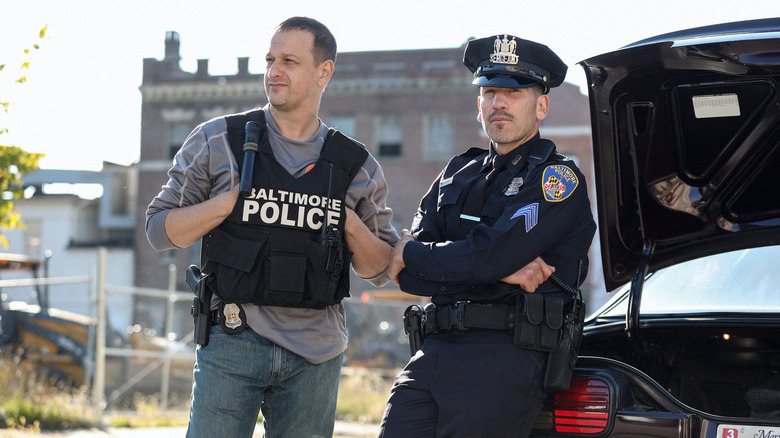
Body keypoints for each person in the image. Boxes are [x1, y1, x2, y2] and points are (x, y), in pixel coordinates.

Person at [145, 17, 399, 438]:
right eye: (270, 59)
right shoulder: (218, 140)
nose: (273, 71)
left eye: (289, 61)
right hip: (232, 340)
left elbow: (381, 269)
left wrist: (345, 218)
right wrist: (228, 203)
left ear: (324, 72)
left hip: (316, 354)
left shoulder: (355, 165)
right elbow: (158, 230)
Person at [378, 34, 597, 437]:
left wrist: (420, 254)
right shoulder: (456, 175)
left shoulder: (556, 179)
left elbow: (481, 255)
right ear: (479, 107)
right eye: (490, 91)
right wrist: (497, 269)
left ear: (541, 105)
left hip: (503, 357)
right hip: (434, 349)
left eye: (513, 93)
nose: (499, 103)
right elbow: (408, 275)